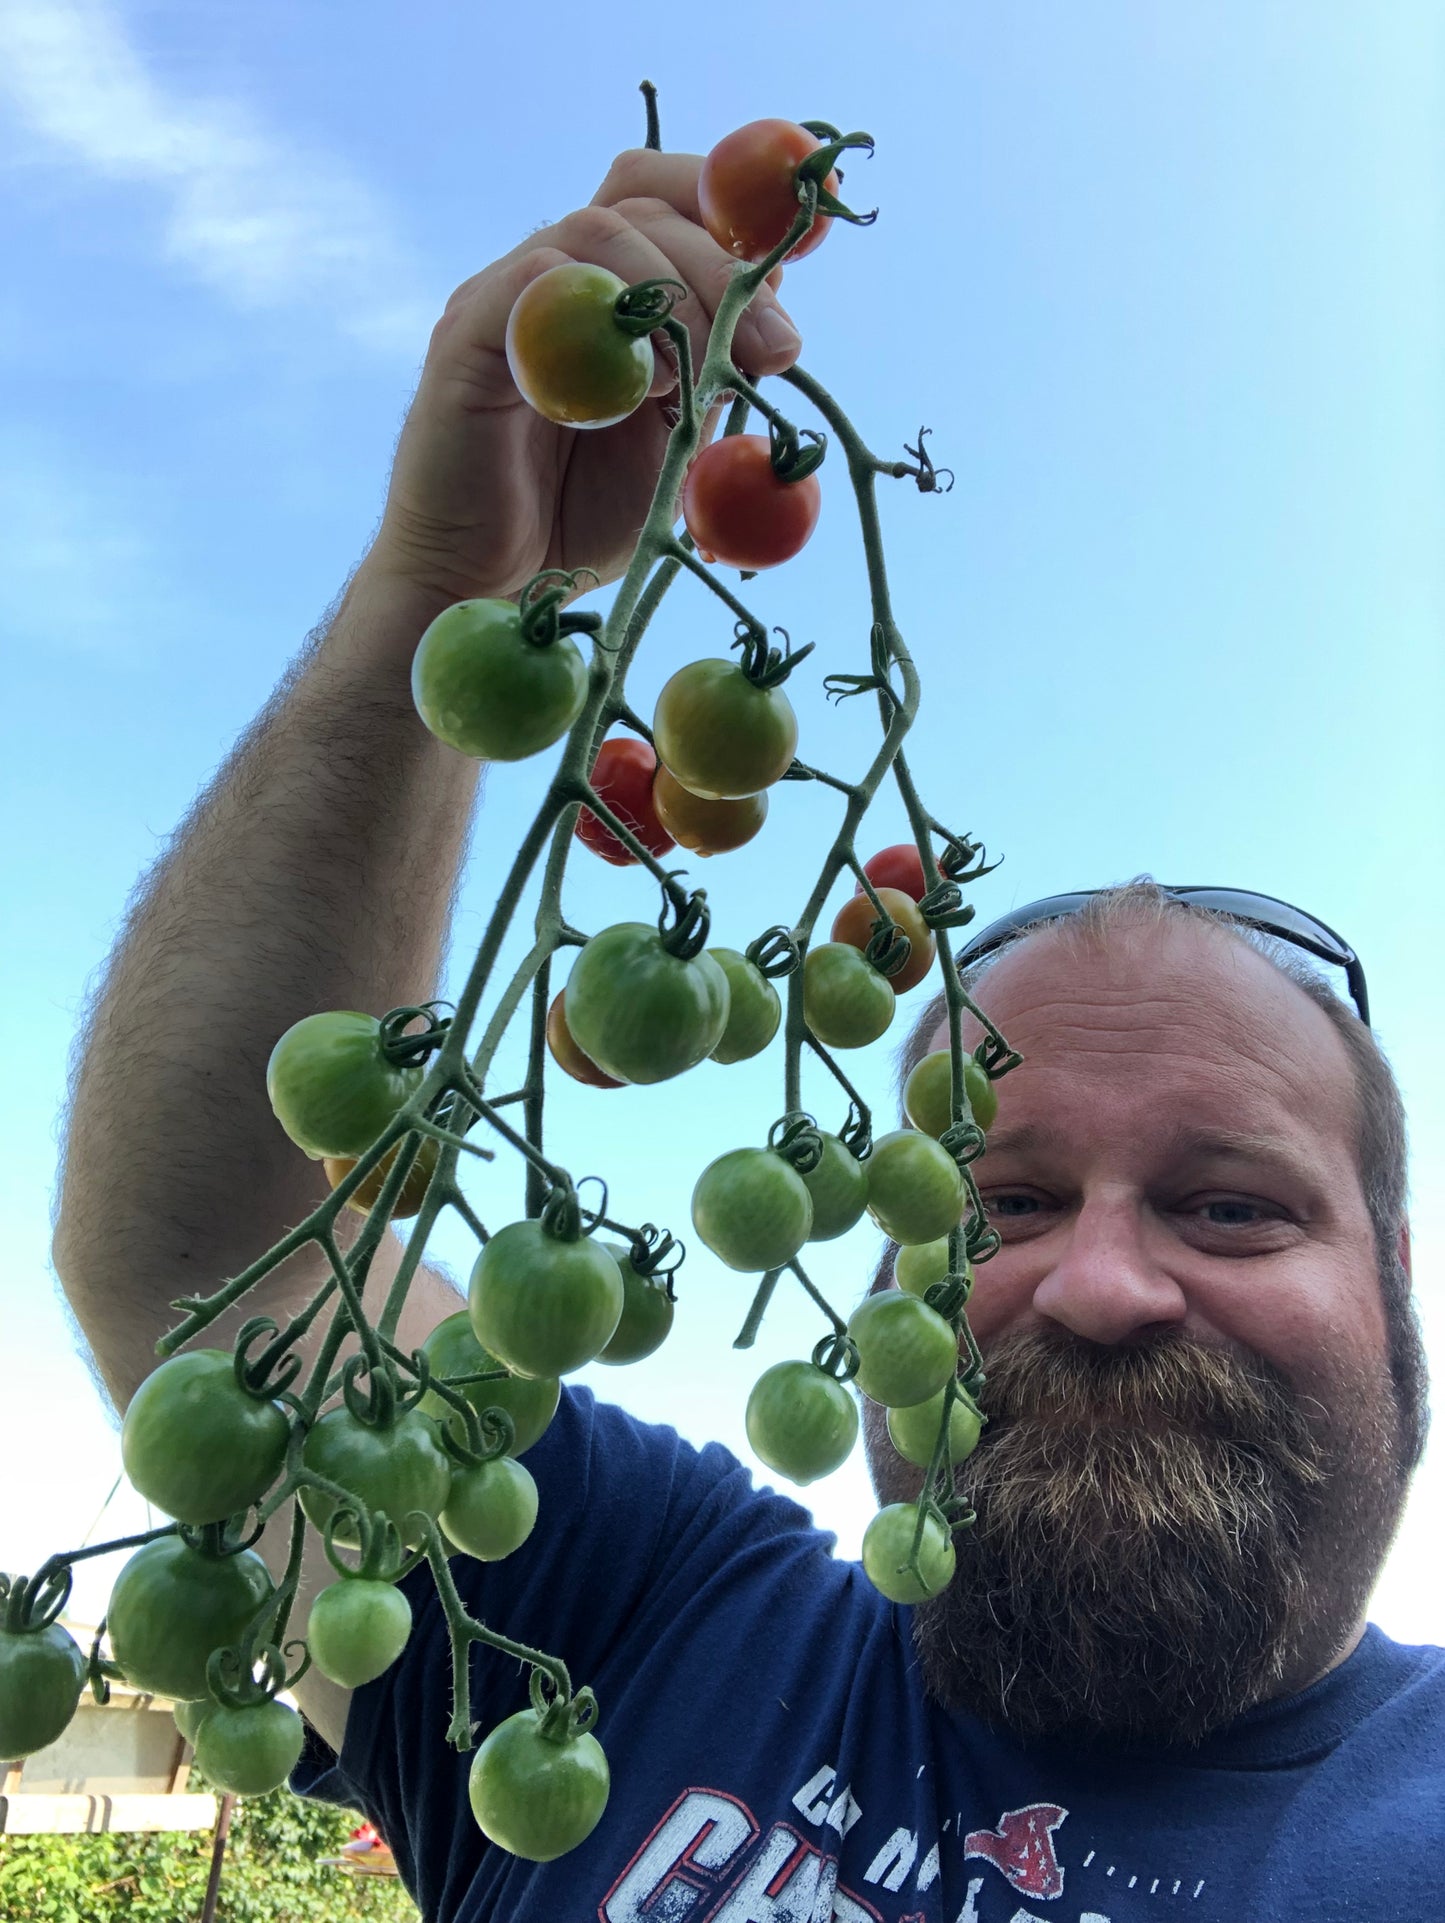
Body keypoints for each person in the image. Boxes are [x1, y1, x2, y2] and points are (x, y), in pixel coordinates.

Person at [50, 145, 1442, 1923]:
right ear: (863, 1292)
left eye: (1230, 1205)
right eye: (990, 1209)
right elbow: (214, 1255)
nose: (1097, 1287)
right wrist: (456, 579)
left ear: (1392, 1287)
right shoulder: (639, 1614)